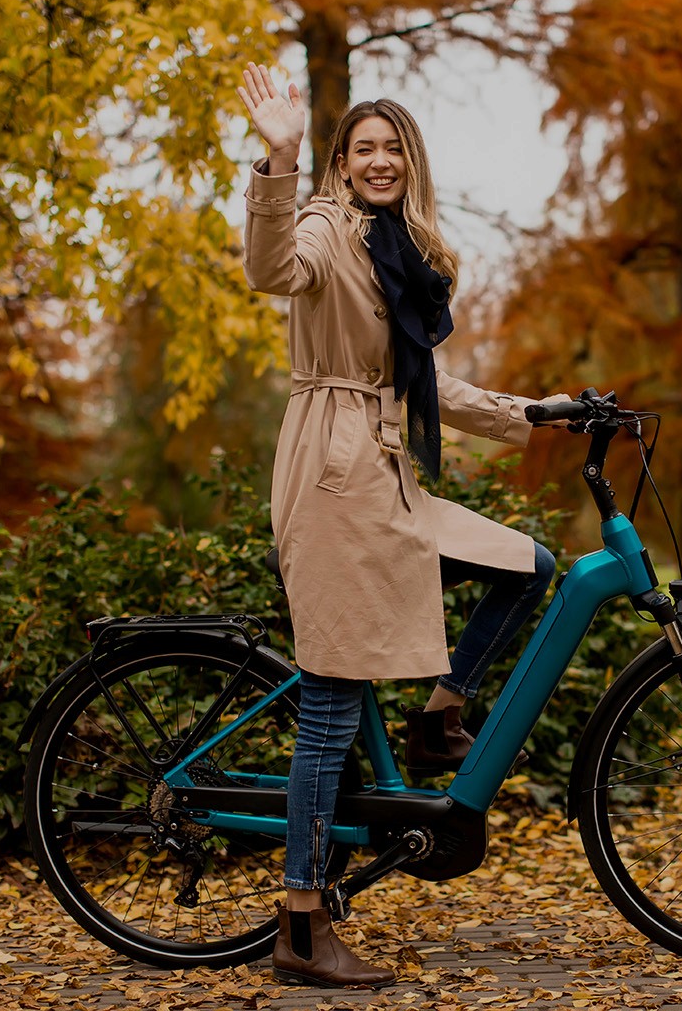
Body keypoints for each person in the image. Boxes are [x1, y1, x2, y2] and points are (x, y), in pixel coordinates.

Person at [237, 64, 568, 989]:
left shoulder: (406, 250)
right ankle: (301, 922)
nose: (378, 161)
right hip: (335, 480)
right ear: (341, 165)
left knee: (528, 564)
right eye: (362, 149)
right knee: (335, 704)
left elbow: (424, 387)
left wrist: (531, 413)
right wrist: (280, 157)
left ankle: (438, 717)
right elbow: (270, 270)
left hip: (388, 478)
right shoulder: (324, 229)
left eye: (393, 148)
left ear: (409, 162)